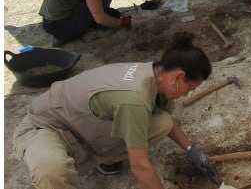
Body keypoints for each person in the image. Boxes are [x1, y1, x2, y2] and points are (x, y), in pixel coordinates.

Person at [13, 31, 221, 189]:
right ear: (178, 76)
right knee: (52, 170)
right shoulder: (135, 98)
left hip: (81, 121)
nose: (186, 94)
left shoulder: (154, 72)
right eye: (189, 88)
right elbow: (139, 166)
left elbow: (169, 122)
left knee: (163, 122)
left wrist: (191, 150)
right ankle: (80, 161)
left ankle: (102, 159)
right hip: (45, 127)